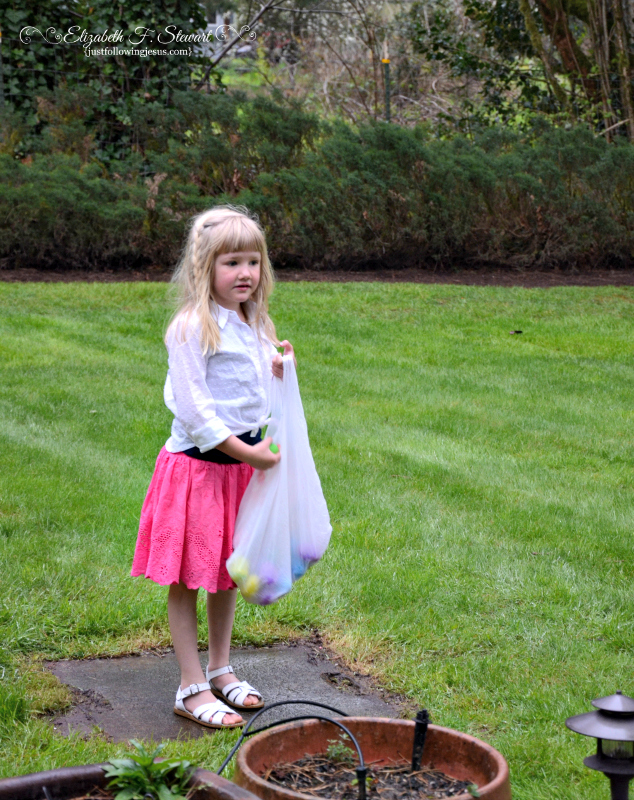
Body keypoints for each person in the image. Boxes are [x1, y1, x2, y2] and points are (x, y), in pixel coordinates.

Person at [131, 205, 294, 729]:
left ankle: (221, 669)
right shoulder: (190, 328)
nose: (245, 273)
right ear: (205, 268)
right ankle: (190, 685)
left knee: (227, 572)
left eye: (253, 262)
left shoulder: (255, 321)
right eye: (232, 263)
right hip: (197, 471)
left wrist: (279, 367)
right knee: (188, 576)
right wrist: (249, 454)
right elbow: (196, 413)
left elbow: (253, 392)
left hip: (237, 471)